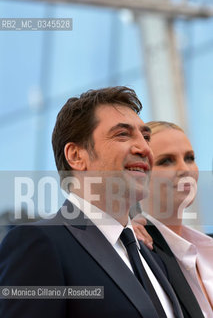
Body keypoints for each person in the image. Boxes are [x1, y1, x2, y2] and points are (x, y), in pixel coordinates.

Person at [0, 87, 204, 318]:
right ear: (76, 156)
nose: (145, 148)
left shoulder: (153, 256)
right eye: (122, 135)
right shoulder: (39, 243)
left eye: (145, 137)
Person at [132, 121, 213, 318]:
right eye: (166, 161)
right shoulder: (134, 250)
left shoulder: (207, 247)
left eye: (189, 158)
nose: (184, 169)